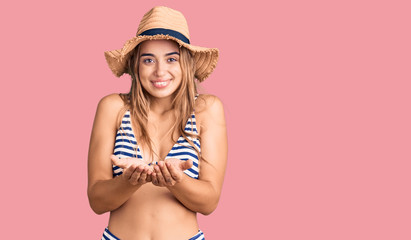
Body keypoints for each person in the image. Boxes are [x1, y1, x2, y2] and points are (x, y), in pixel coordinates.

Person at [87, 6, 227, 240]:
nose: (160, 71)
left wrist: (176, 181)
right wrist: (129, 182)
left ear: (186, 64)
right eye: (148, 60)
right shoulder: (113, 108)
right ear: (135, 65)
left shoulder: (207, 109)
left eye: (171, 59)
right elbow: (97, 200)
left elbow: (209, 201)